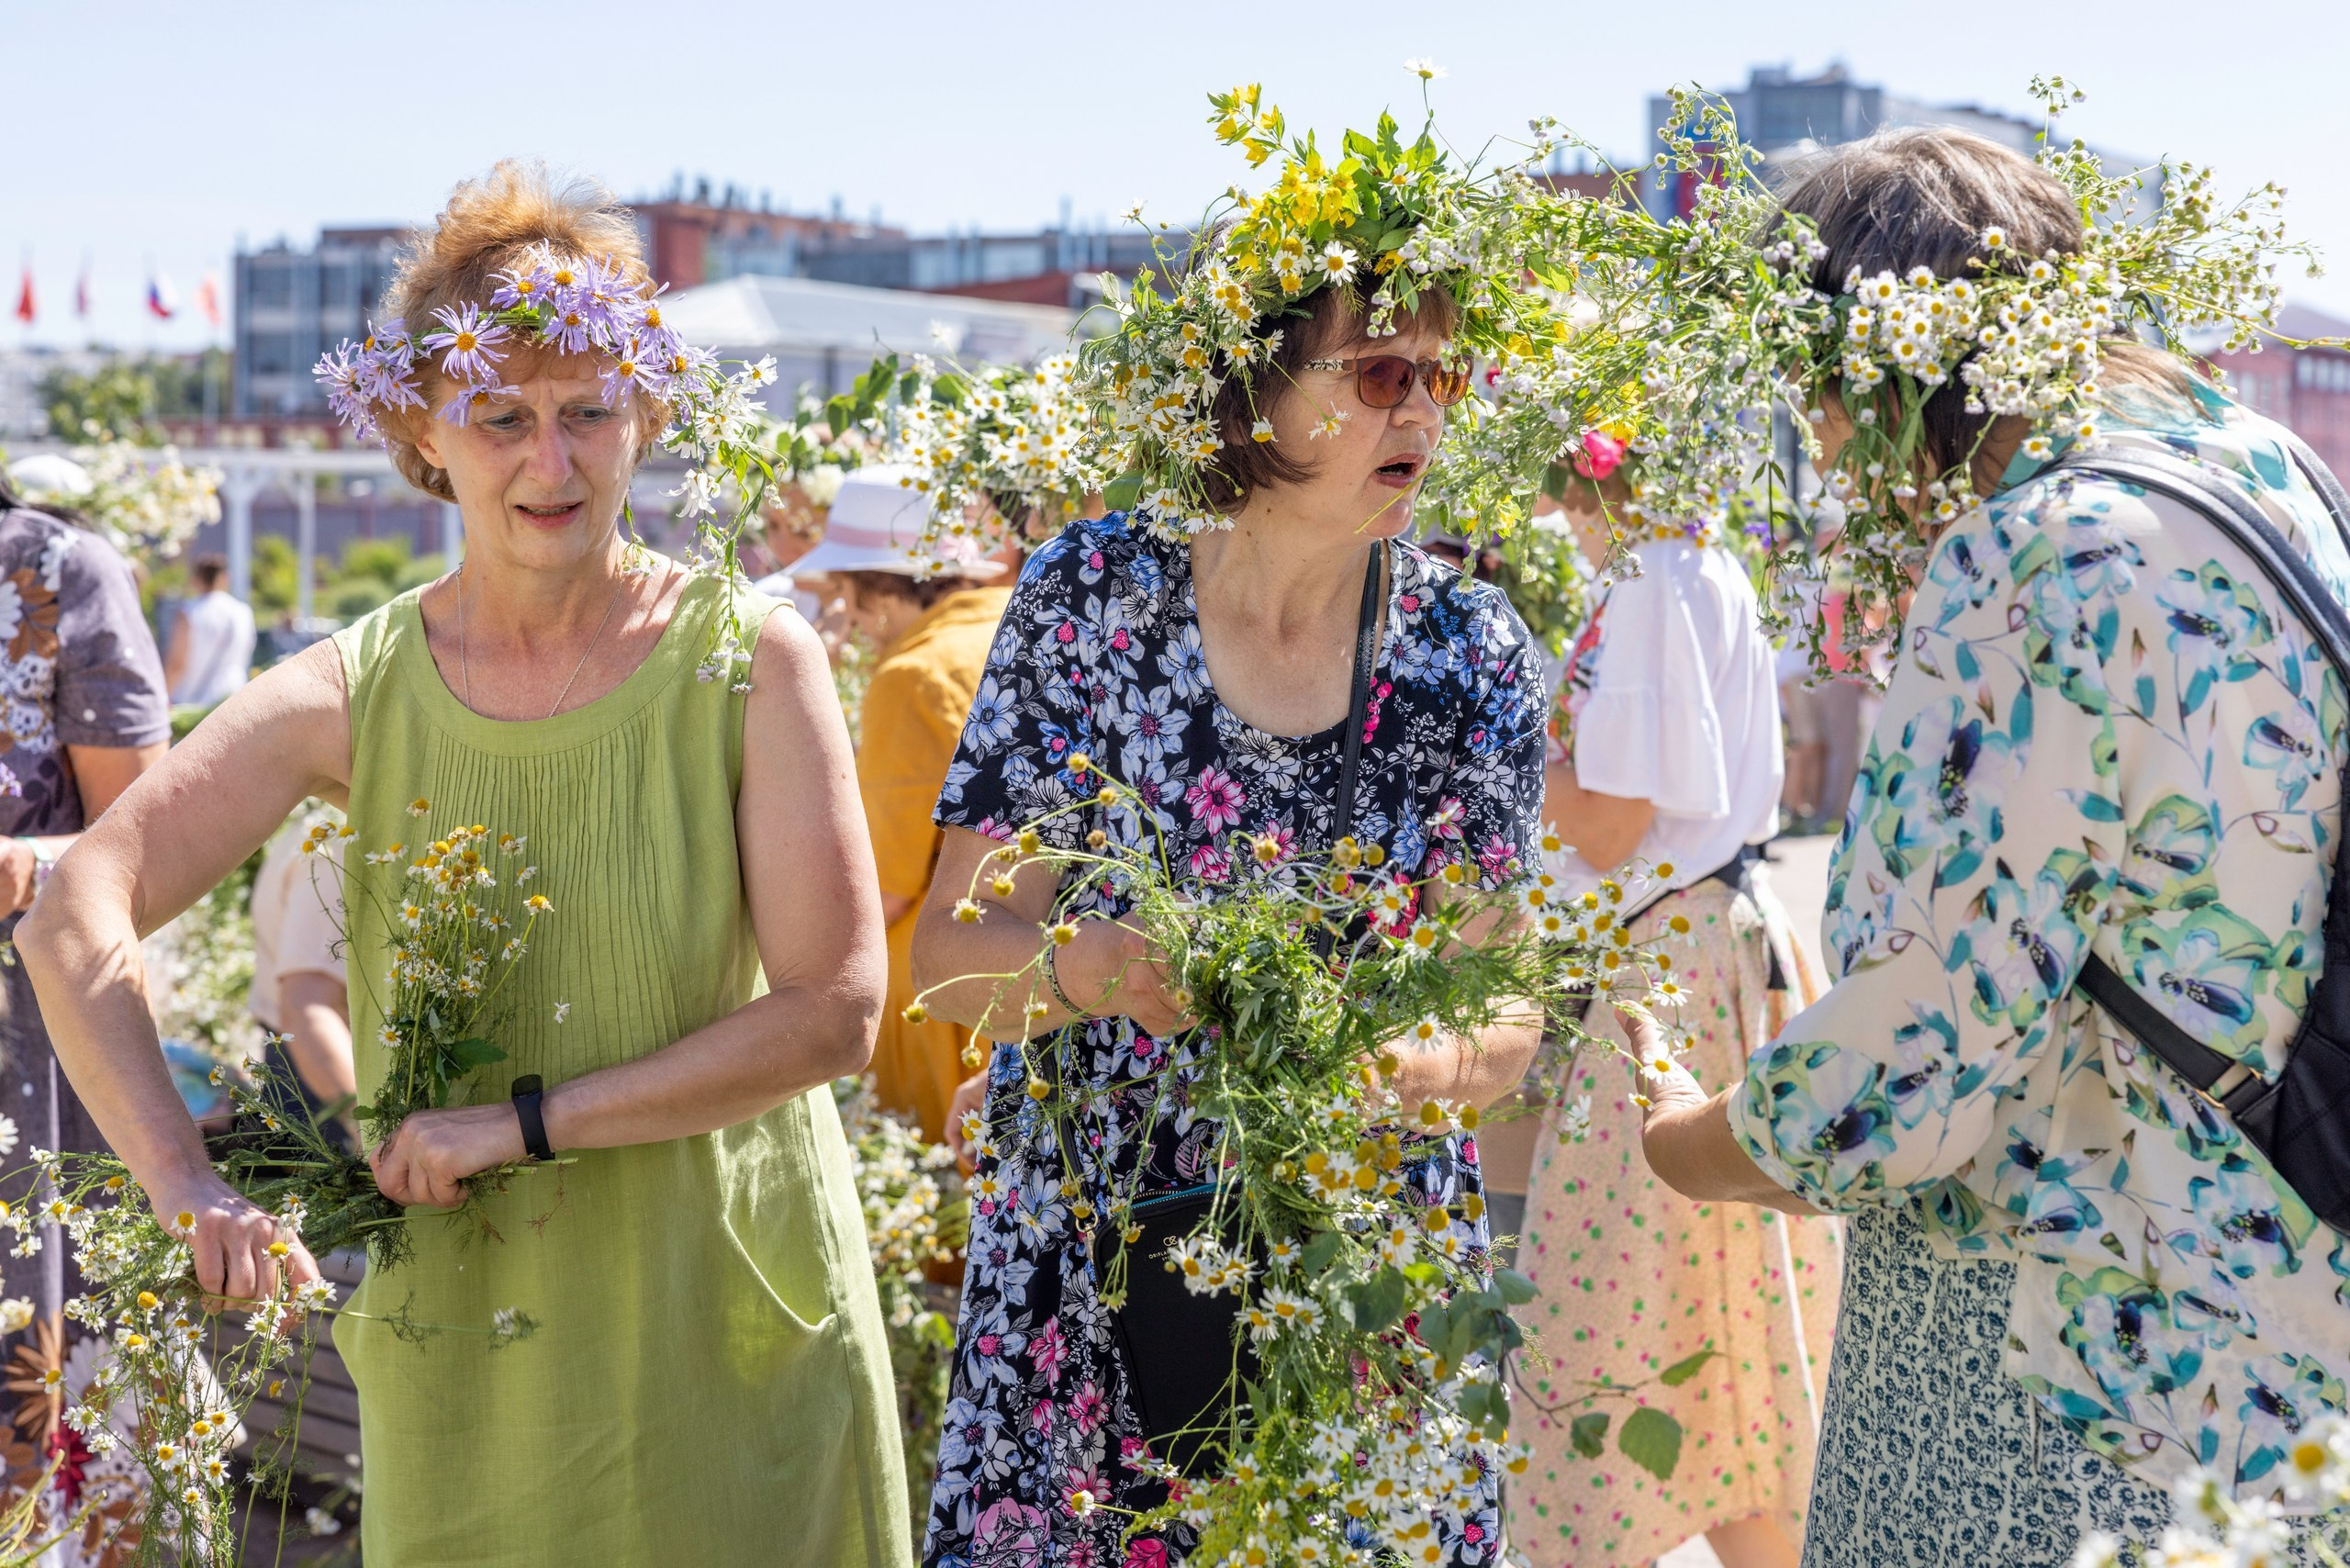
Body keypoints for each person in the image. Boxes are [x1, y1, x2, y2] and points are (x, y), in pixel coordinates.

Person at [18, 162, 907, 1566]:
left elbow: (834, 1011)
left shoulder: (748, 658)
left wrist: (525, 1122)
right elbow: (78, 903)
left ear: (645, 413)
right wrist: (187, 1186)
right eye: (502, 418)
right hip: (470, 1364)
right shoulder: (352, 688)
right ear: (423, 434)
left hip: (725, 1334)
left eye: (588, 412)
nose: (551, 464)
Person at [1638, 128, 2350, 1565]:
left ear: (1885, 365)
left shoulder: (2032, 551)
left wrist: (1690, 1142)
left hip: (2071, 1344)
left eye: (1815, 396)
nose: (1822, 449)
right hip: (2285, 1297)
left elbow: (1919, 1059)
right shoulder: (2259, 468)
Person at [912, 276, 1547, 1565]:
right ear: (1255, 391)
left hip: (1360, 1279)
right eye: (1381, 372)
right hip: (1086, 1277)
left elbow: (1507, 1011)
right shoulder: (1091, 596)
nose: (1423, 410)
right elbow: (946, 961)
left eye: (1442, 376)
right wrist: (1089, 972)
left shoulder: (1470, 649)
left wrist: (1402, 1066)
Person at [1505, 472, 1836, 1568]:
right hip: (1697, 950)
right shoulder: (1684, 560)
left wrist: (1487, 740)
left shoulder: (1653, 574)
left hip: (1665, 974)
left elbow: (1608, 825)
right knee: (1715, 1325)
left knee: (1605, 1326)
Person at [0, 463, 172, 1541]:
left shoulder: (55, 570)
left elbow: (151, 846)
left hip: (27, 1074)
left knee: (47, 1422)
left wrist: (25, 864)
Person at [792, 467, 1011, 1143]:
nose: (851, 619)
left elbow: (885, 886)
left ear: (879, 589)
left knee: (945, 1185)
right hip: (1041, 966)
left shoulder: (910, 677)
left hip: (947, 996)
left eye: (847, 594)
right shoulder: (1016, 621)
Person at [248, 809, 357, 1137]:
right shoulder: (336, 846)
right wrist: (370, 1129)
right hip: (321, 1073)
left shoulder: (319, 826)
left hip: (304, 1064)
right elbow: (308, 1009)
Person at [163, 554, 256, 708]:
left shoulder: (189, 611)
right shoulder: (243, 611)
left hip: (192, 704)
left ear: (196, 579)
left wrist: (164, 695)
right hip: (234, 697)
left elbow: (177, 661)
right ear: (225, 578)